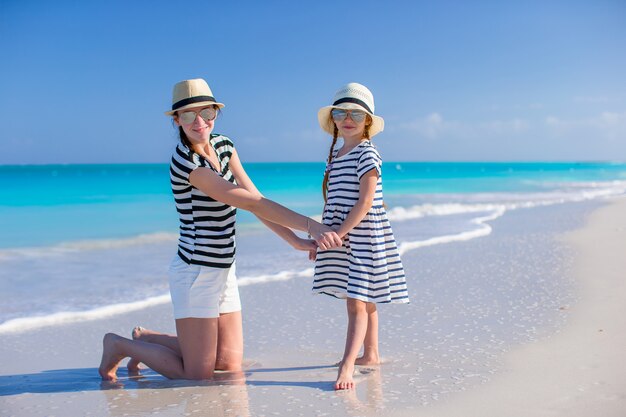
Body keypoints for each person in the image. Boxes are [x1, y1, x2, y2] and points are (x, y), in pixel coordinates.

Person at [99, 78, 342, 381]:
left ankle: (148, 339)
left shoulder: (224, 145)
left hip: (224, 268)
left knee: (227, 364)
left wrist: (294, 240)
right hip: (195, 272)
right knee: (197, 374)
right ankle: (119, 344)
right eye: (189, 115)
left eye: (207, 112)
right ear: (176, 120)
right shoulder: (188, 163)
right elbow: (248, 203)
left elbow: (256, 198)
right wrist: (313, 226)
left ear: (216, 113)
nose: (200, 122)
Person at [312, 83, 409, 390]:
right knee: (362, 299)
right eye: (341, 112)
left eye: (356, 113)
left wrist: (338, 233)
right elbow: (332, 200)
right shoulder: (336, 154)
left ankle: (347, 364)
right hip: (341, 234)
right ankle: (372, 353)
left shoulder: (367, 152)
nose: (348, 118)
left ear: (367, 120)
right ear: (334, 119)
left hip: (364, 234)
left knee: (358, 300)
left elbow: (366, 202)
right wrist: (322, 240)